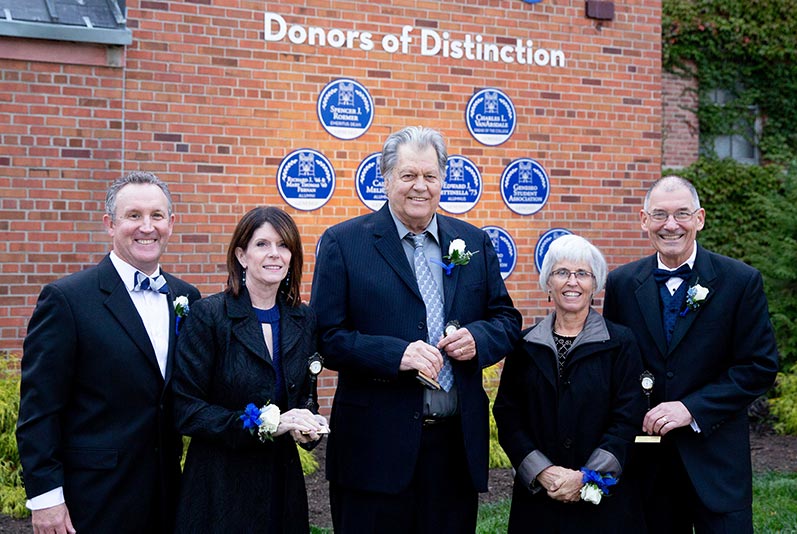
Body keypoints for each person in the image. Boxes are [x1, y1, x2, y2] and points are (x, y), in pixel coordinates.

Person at [310, 125, 522, 533]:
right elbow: (326, 337)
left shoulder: (474, 242)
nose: (419, 186)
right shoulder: (344, 242)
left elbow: (507, 320)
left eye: (430, 175)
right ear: (386, 178)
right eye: (408, 175)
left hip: (454, 452)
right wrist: (396, 355)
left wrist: (479, 339)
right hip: (374, 451)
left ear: (443, 180)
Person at [16, 171, 201, 534]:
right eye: (133, 216)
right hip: (94, 499)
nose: (146, 227)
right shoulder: (67, 300)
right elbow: (39, 410)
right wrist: (46, 499)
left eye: (157, 216)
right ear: (110, 224)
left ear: (171, 224)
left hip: (168, 496)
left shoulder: (186, 297)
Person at [603, 176, 780, 533]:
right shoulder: (622, 283)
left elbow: (759, 366)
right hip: (648, 468)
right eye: (660, 215)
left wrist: (691, 408)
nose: (671, 225)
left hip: (717, 464)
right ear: (643, 220)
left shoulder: (739, 281)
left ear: (699, 218)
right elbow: (615, 367)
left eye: (682, 214)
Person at [171, 206, 328, 533]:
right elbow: (186, 409)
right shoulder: (209, 316)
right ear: (241, 256)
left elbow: (304, 397)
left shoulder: (303, 318)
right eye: (263, 244)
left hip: (281, 485)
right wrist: (264, 424)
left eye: (284, 245)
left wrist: (305, 424)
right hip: (220, 485)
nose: (275, 254)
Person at [493, 234, 645, 532]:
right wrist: (543, 472)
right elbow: (509, 416)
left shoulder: (621, 343)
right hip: (539, 499)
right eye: (561, 272)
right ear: (548, 284)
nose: (572, 281)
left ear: (595, 285)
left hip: (604, 501)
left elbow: (628, 418)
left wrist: (587, 477)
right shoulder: (525, 345)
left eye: (582, 274)